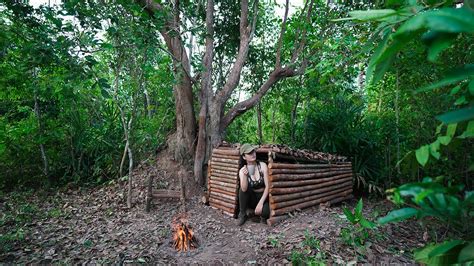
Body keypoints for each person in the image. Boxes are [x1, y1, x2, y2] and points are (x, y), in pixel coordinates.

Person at [237, 143, 270, 226]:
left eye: (253, 152)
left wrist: (261, 203)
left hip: (263, 197)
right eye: (249, 153)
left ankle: (260, 217)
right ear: (244, 157)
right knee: (241, 190)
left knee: (266, 212)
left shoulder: (262, 166)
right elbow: (244, 190)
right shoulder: (242, 171)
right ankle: (243, 214)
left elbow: (268, 186)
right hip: (252, 198)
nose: (253, 154)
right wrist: (244, 175)